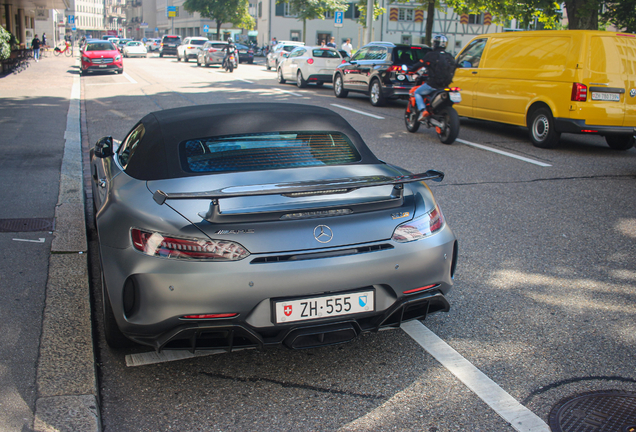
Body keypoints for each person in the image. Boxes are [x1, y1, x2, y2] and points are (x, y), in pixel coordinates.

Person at [409, 34, 457, 121]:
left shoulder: (431, 55)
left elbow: (419, 64)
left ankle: (423, 110)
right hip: (445, 85)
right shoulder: (449, 56)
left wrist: (410, 71)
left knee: (417, 93)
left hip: (433, 84)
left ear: (435, 44)